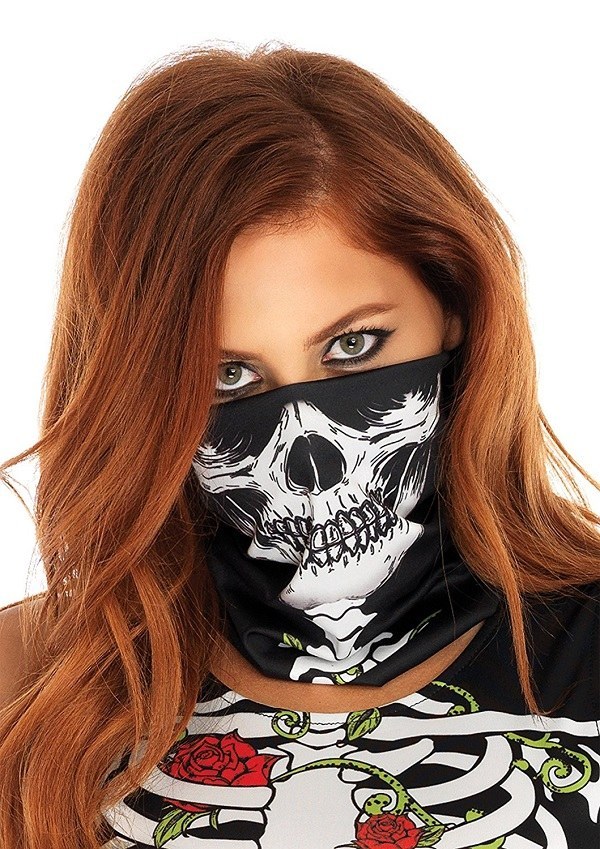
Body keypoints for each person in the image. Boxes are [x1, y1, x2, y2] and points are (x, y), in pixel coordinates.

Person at [0, 43, 598, 849]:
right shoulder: (33, 689)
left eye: (353, 347)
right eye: (229, 377)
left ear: (455, 304)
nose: (311, 467)